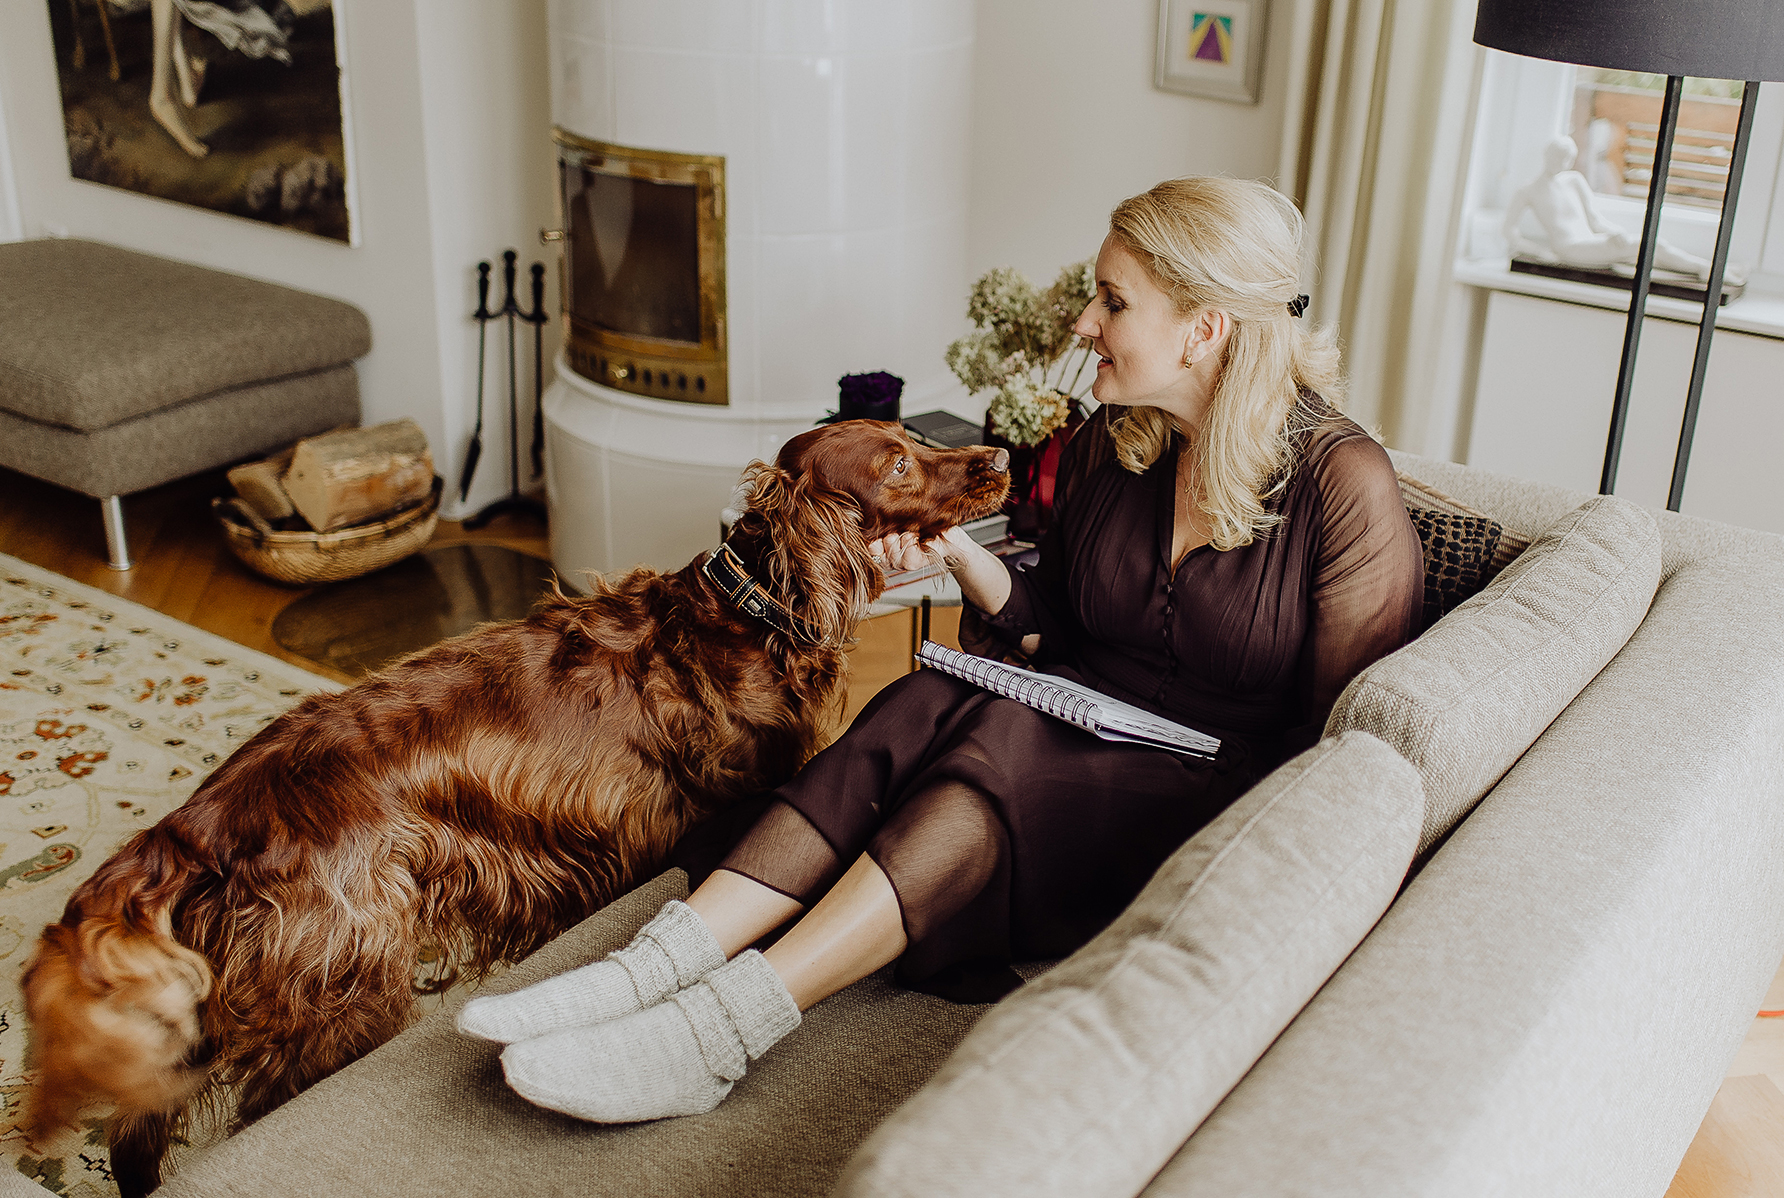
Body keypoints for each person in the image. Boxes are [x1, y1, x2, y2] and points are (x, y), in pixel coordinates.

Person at [456, 176, 1426, 1124]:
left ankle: (717, 1034)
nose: (1084, 323)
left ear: (1204, 329)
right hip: (1078, 716)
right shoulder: (1114, 443)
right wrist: (955, 551)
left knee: (1000, 739)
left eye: (1113, 301)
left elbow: (1342, 748)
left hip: (1205, 791)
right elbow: (1053, 622)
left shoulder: (1344, 486)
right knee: (920, 700)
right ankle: (647, 970)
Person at [1504, 136, 1717, 279]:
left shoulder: (1574, 181)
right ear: (1547, 155)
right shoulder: (1528, 191)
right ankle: (1703, 268)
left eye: (1568, 158)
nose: (1563, 162)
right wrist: (1540, 253)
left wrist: (1615, 231)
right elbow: (1508, 230)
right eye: (1559, 157)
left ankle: (1703, 268)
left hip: (1591, 242)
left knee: (1647, 250)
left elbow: (1595, 220)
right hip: (1570, 250)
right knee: (1649, 246)